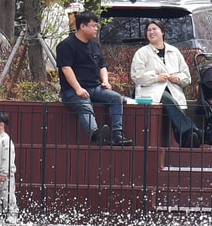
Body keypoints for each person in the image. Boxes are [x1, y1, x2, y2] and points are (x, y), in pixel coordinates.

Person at [56, 11, 132, 146]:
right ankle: (96, 134)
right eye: (94, 26)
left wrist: (105, 81)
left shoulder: (94, 45)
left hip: (95, 87)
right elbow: (66, 68)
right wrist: (78, 88)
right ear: (83, 26)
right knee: (84, 104)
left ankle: (117, 134)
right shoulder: (66, 45)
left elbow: (102, 65)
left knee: (116, 98)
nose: (96, 29)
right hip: (72, 91)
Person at [130, 19, 199, 148]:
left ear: (163, 32)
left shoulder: (174, 52)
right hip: (150, 91)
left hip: (173, 90)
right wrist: (156, 78)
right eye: (149, 30)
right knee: (165, 97)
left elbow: (186, 77)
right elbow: (136, 76)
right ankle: (192, 131)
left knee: (172, 100)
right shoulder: (141, 53)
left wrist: (177, 78)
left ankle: (185, 137)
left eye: (154, 29)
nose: (151, 32)